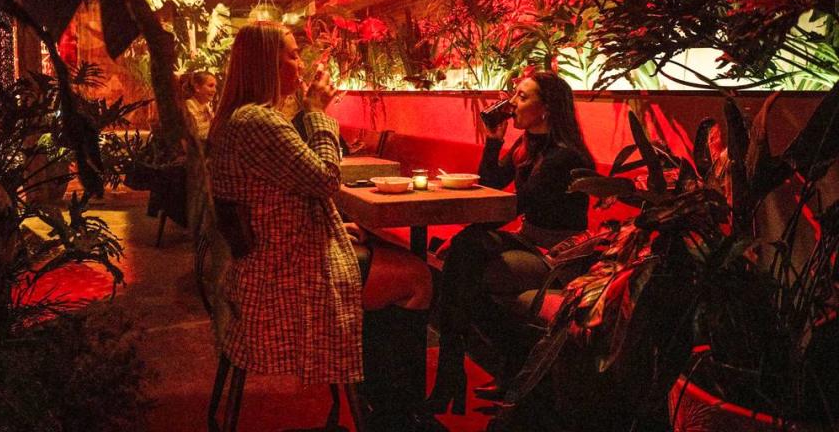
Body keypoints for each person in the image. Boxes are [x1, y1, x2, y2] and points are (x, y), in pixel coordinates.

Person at [206, 22, 442, 431]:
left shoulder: (235, 120)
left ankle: (378, 399)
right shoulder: (259, 122)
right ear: (268, 65)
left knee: (384, 263)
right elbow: (326, 179)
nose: (300, 65)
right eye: (293, 55)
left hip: (261, 266)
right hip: (287, 278)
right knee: (416, 276)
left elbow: (280, 198)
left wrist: (331, 229)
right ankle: (396, 414)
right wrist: (316, 114)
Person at [425, 70, 596, 415]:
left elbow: (509, 208)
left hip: (557, 257)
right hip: (528, 241)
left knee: (463, 267)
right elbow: (489, 187)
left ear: (546, 108)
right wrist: (493, 139)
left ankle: (456, 371)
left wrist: (460, 238)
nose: (512, 103)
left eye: (522, 96)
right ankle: (483, 366)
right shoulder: (527, 144)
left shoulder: (563, 157)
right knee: (463, 264)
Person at [181, 70, 217, 142]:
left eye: (215, 86)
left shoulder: (206, 106)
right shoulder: (189, 107)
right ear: (197, 87)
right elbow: (196, 136)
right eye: (210, 86)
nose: (214, 90)